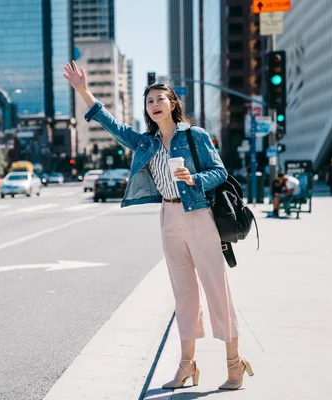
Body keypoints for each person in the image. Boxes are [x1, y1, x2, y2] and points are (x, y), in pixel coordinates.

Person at [63, 61, 253, 390]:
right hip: (168, 217)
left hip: (198, 215)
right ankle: (186, 367)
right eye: (149, 101)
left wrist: (194, 178)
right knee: (183, 295)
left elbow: (220, 172)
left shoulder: (194, 136)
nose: (154, 105)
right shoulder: (147, 143)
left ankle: (234, 365)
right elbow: (111, 123)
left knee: (216, 290)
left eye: (160, 99)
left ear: (173, 103)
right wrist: (82, 89)